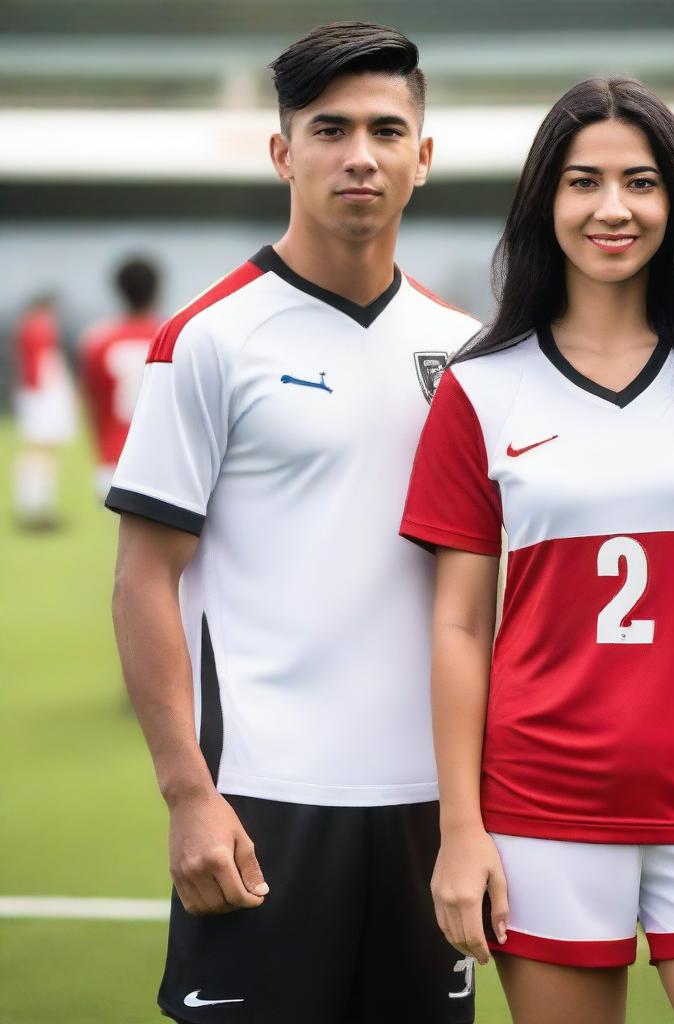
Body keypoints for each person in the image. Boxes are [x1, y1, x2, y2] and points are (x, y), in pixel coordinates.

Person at [401, 77, 674, 1024]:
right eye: (582, 182)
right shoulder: (480, 388)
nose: (613, 208)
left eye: (640, 182)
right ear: (543, 204)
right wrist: (461, 828)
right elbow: (456, 622)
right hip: (540, 812)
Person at [106, 22, 479, 1024]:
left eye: (386, 130)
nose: (360, 154)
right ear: (283, 152)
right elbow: (144, 575)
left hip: (427, 813)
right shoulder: (209, 339)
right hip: (261, 805)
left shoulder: (469, 353)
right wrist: (188, 791)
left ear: (423, 157)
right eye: (330, 129)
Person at [80, 257, 162, 499]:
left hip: (112, 463)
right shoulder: (175, 335)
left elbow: (89, 400)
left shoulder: (98, 340)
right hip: (162, 464)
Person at [11, 292, 76, 529]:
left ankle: (38, 506)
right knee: (40, 452)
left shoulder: (30, 327)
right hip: (42, 396)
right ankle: (34, 507)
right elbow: (41, 367)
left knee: (43, 453)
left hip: (37, 395)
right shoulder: (38, 328)